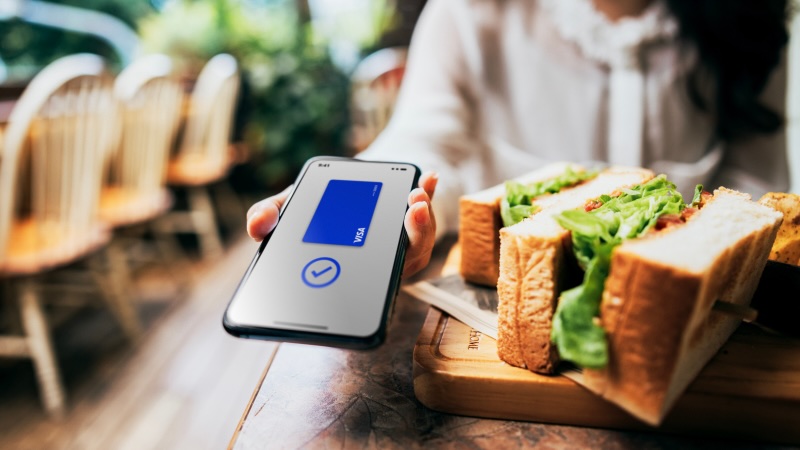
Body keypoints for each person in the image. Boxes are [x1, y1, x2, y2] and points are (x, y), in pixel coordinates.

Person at [248, 0, 791, 277]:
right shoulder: (471, 11)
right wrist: (363, 199)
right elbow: (422, 142)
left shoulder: (752, 25)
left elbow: (760, 187)